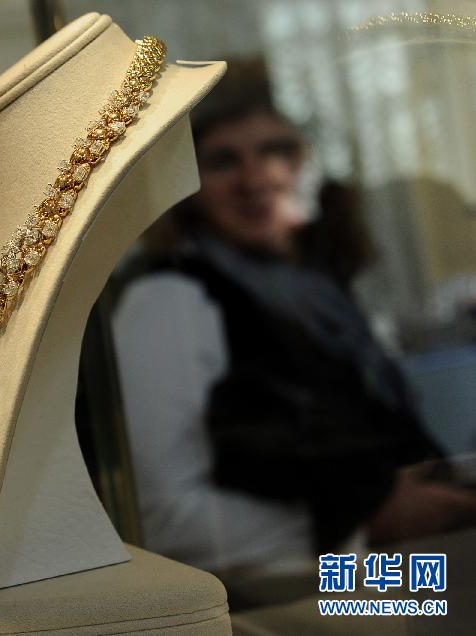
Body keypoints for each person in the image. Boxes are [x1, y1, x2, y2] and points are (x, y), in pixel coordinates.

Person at [112, 60, 476, 585]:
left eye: (277, 150)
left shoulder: (317, 289)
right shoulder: (168, 299)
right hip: (306, 595)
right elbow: (163, 521)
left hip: (401, 570)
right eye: (223, 161)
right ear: (187, 186)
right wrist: (367, 525)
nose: (256, 179)